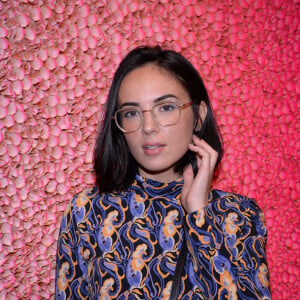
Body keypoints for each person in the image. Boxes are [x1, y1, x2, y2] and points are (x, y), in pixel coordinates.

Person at [55, 45, 271, 299]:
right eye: (132, 113)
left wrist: (200, 217)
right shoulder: (87, 211)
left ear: (199, 116)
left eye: (166, 107)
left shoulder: (240, 215)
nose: (148, 127)